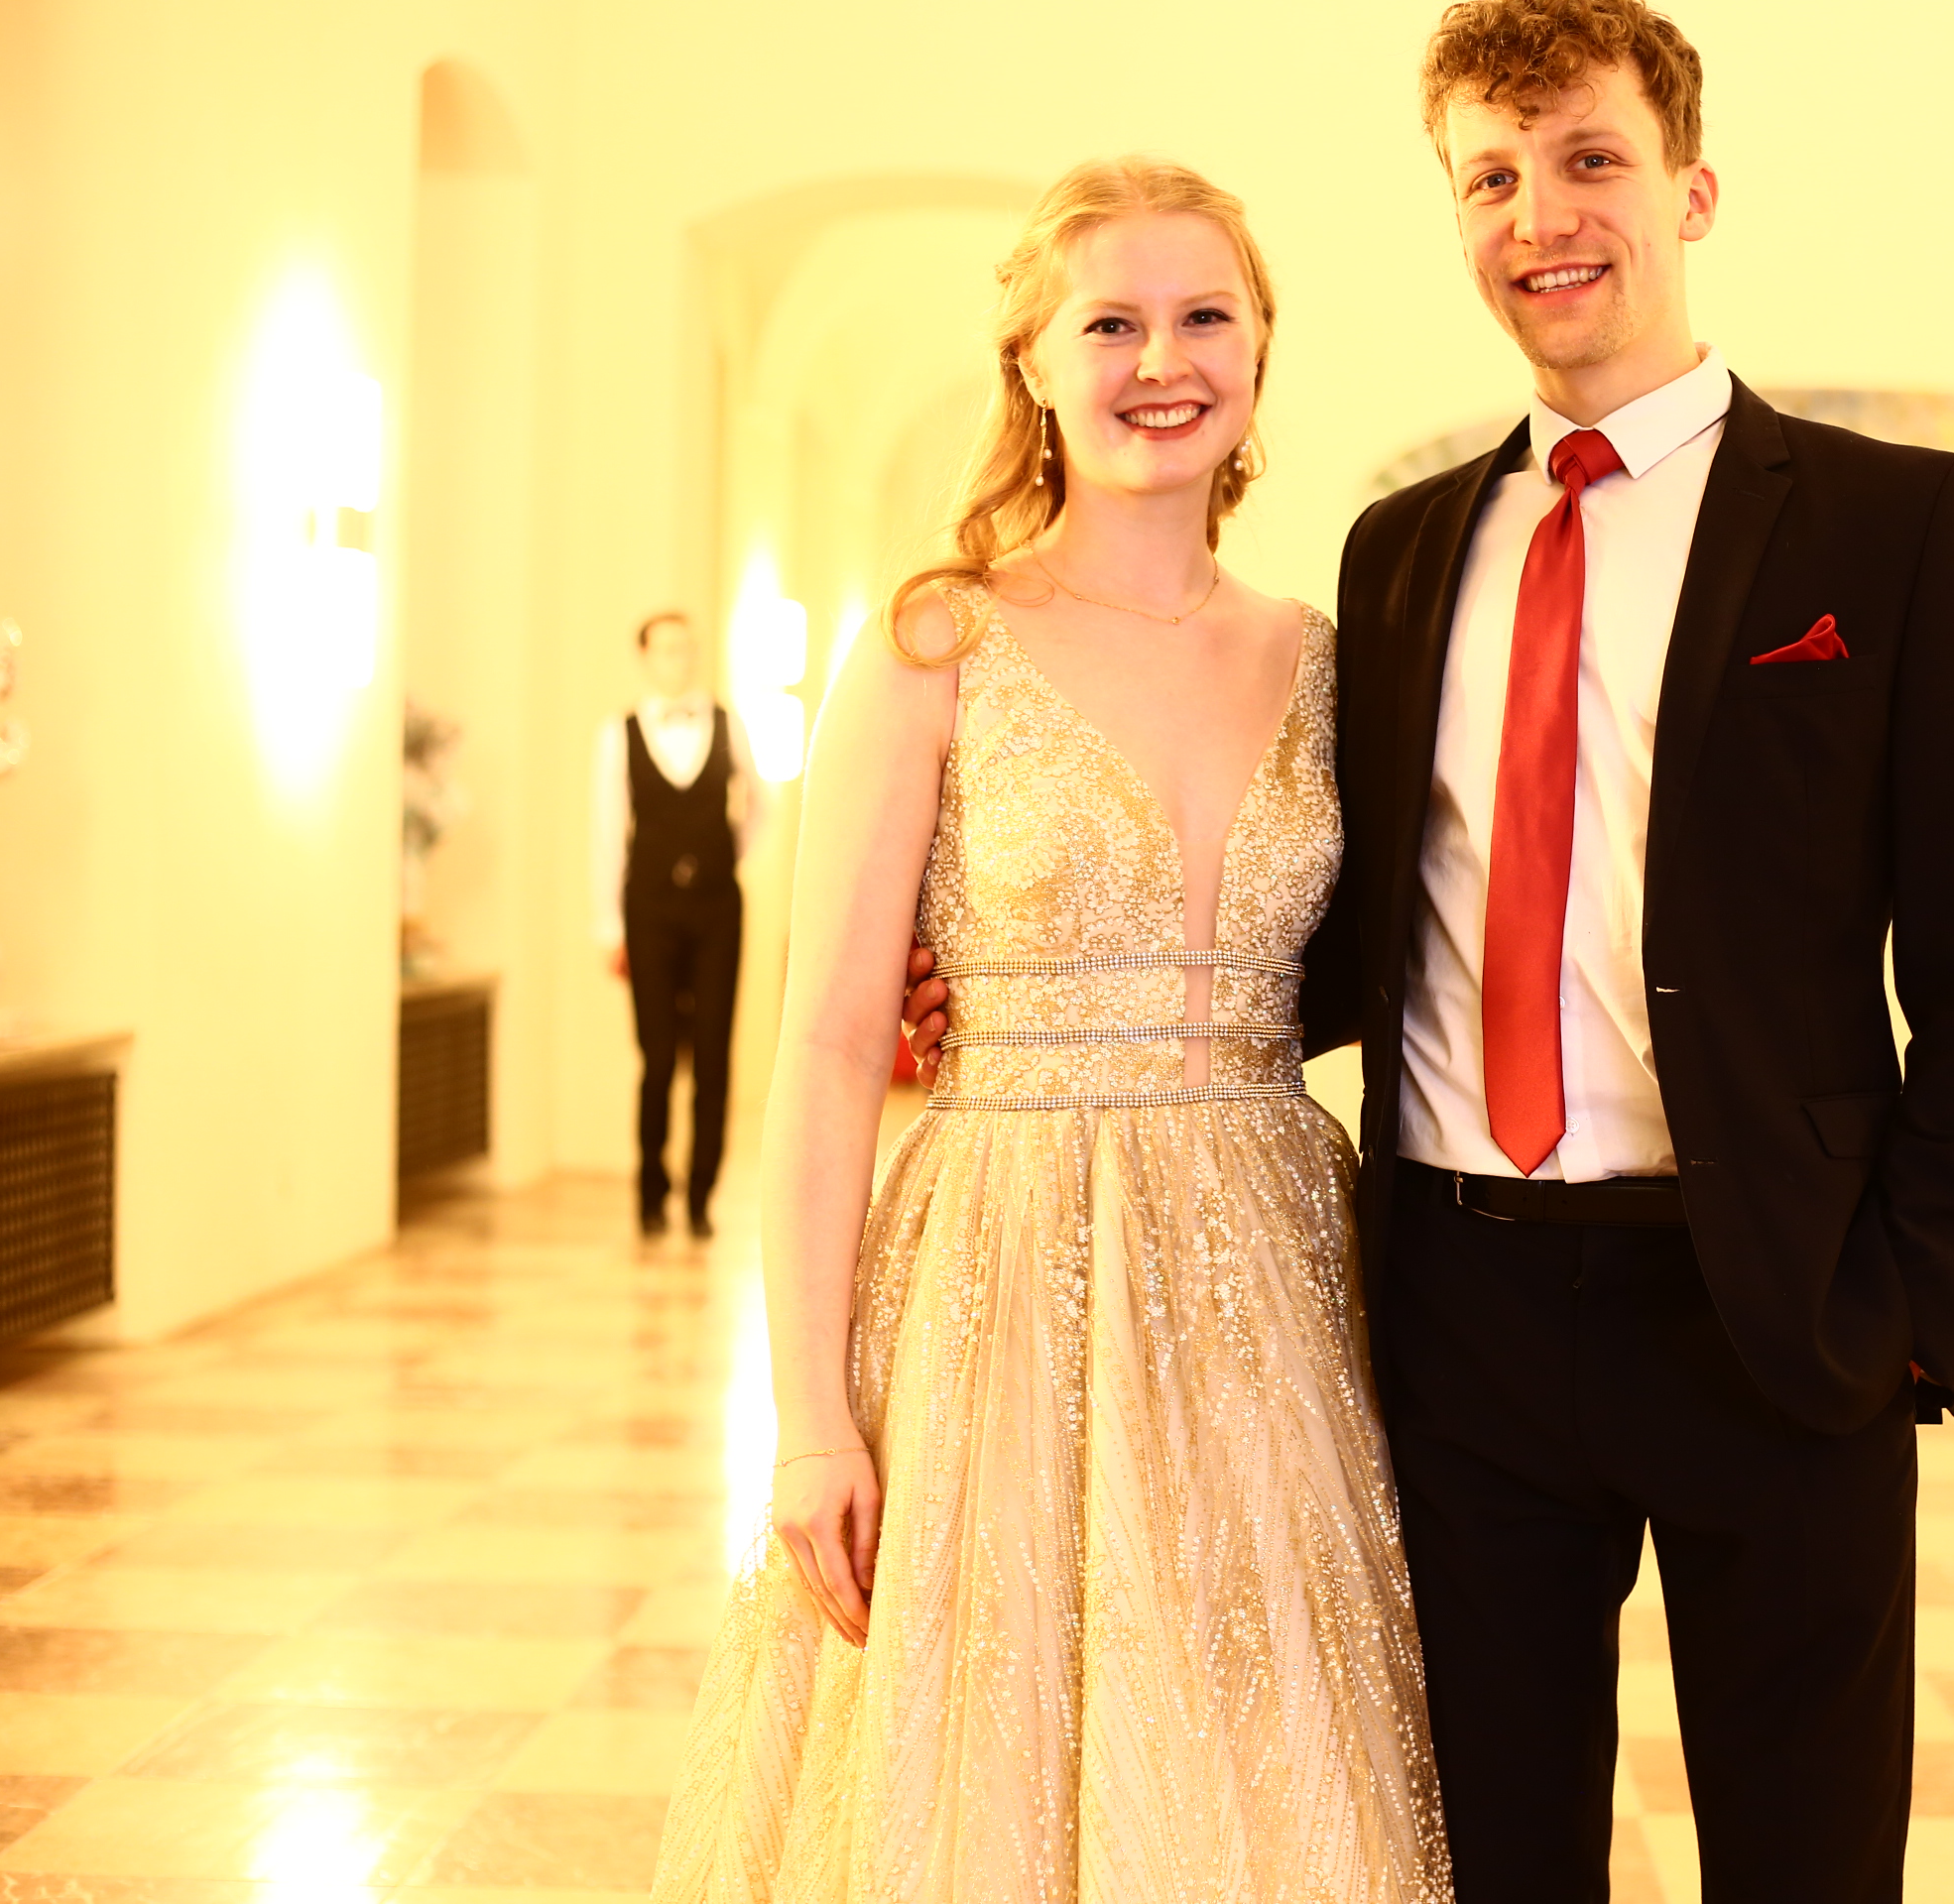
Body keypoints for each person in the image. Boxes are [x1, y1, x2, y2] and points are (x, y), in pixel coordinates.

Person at [905, 7, 1954, 1896]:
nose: (1543, 216)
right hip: (1462, 1309)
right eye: (1491, 178)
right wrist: (1048, 989)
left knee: (1808, 1858)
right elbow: (1353, 904)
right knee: (1490, 1857)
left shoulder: (1892, 523)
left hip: (1776, 1301)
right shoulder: (1404, 551)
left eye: (1591, 160)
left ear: (1692, 188)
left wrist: (1922, 1300)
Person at [653, 162, 1451, 1901]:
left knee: (1258, 1753)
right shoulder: (935, 643)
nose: (1162, 360)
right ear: (1030, 362)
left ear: (1258, 351)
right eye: (1111, 323)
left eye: (1203, 316)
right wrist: (808, 1417)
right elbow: (827, 1048)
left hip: (1269, 1282)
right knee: (989, 1766)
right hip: (999, 1278)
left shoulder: (1325, 657)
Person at [591, 610, 759, 1240]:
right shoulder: (619, 733)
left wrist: (727, 855)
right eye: (665, 649)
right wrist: (609, 928)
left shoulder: (728, 723)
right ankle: (650, 1191)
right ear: (644, 656)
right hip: (649, 911)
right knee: (658, 1056)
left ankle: (702, 1196)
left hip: (718, 910)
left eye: (686, 648)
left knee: (713, 1055)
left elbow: (760, 806)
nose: (678, 659)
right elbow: (607, 833)